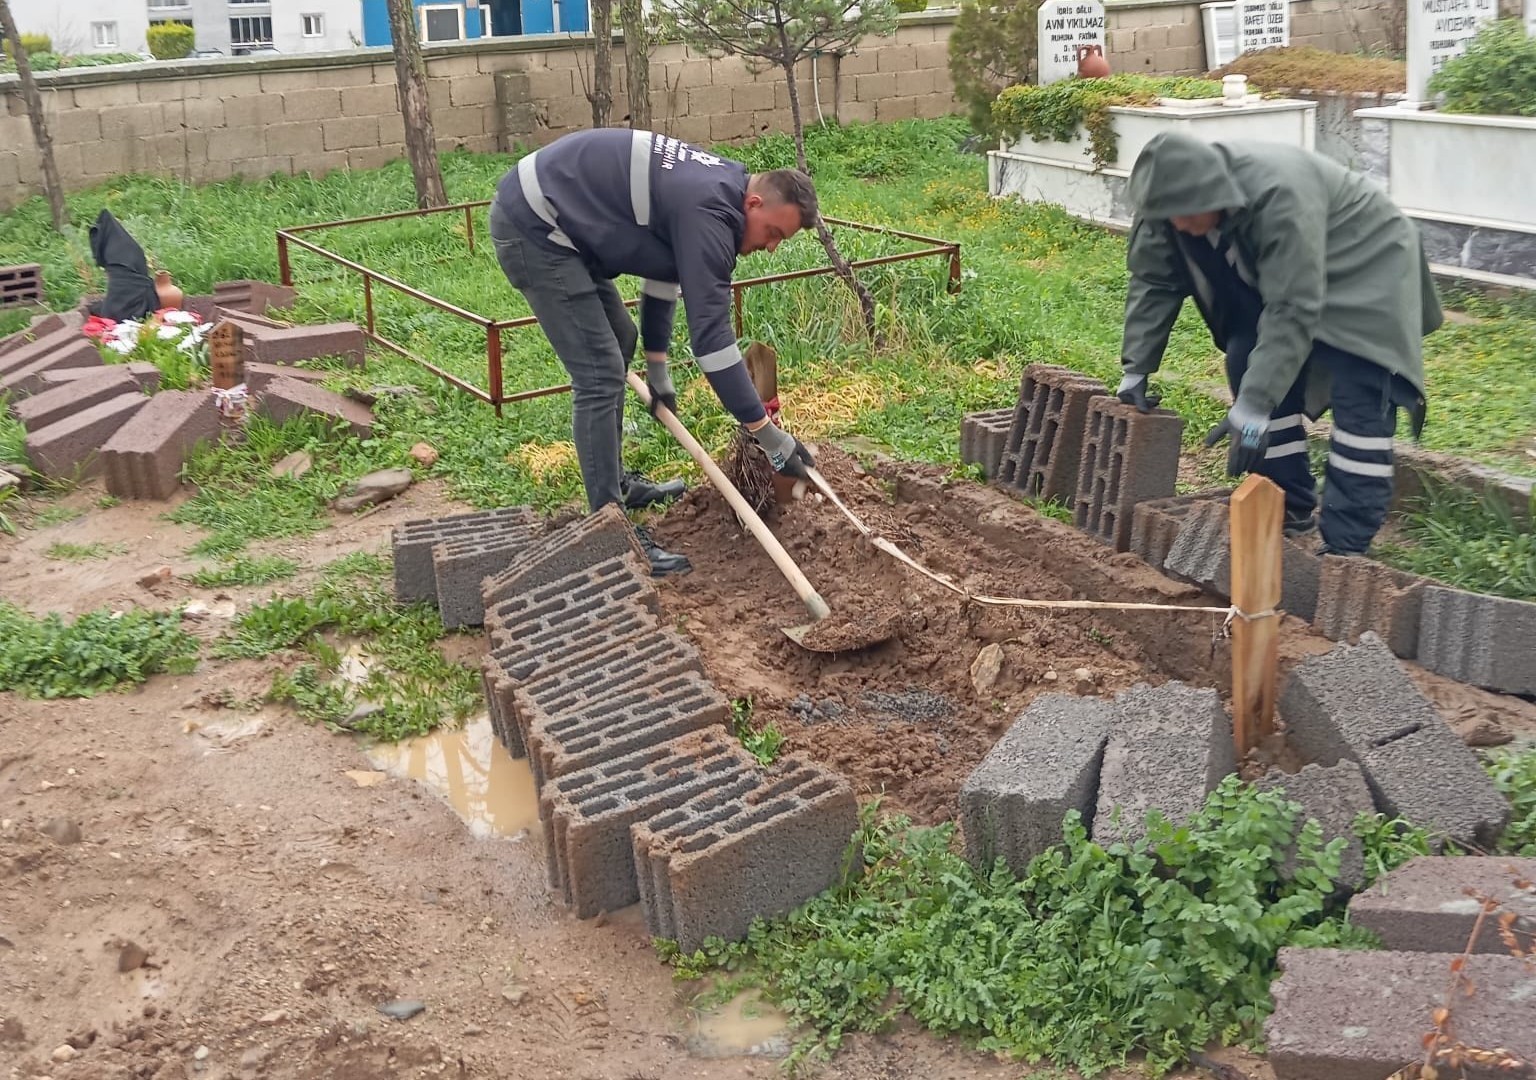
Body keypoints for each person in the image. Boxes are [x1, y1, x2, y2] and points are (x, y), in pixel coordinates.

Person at [489, 129, 820, 577]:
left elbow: (664, 271)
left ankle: (615, 480)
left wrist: (658, 364)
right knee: (600, 373)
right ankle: (609, 531)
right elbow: (713, 343)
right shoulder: (710, 212)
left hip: (566, 220)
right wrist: (767, 434)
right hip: (537, 225)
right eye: (773, 232)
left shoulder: (722, 186)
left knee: (619, 341)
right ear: (755, 205)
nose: (771, 246)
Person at [1115, 132, 1443, 557]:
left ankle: (1347, 546)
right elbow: (1154, 280)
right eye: (1167, 216)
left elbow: (1292, 307)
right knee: (1245, 357)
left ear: (1213, 192)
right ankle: (1287, 503)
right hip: (1291, 272)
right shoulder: (1167, 202)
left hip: (1367, 261)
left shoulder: (1278, 195)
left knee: (1359, 393)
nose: (1178, 225)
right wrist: (1136, 367)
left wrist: (1253, 407)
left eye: (1185, 214)